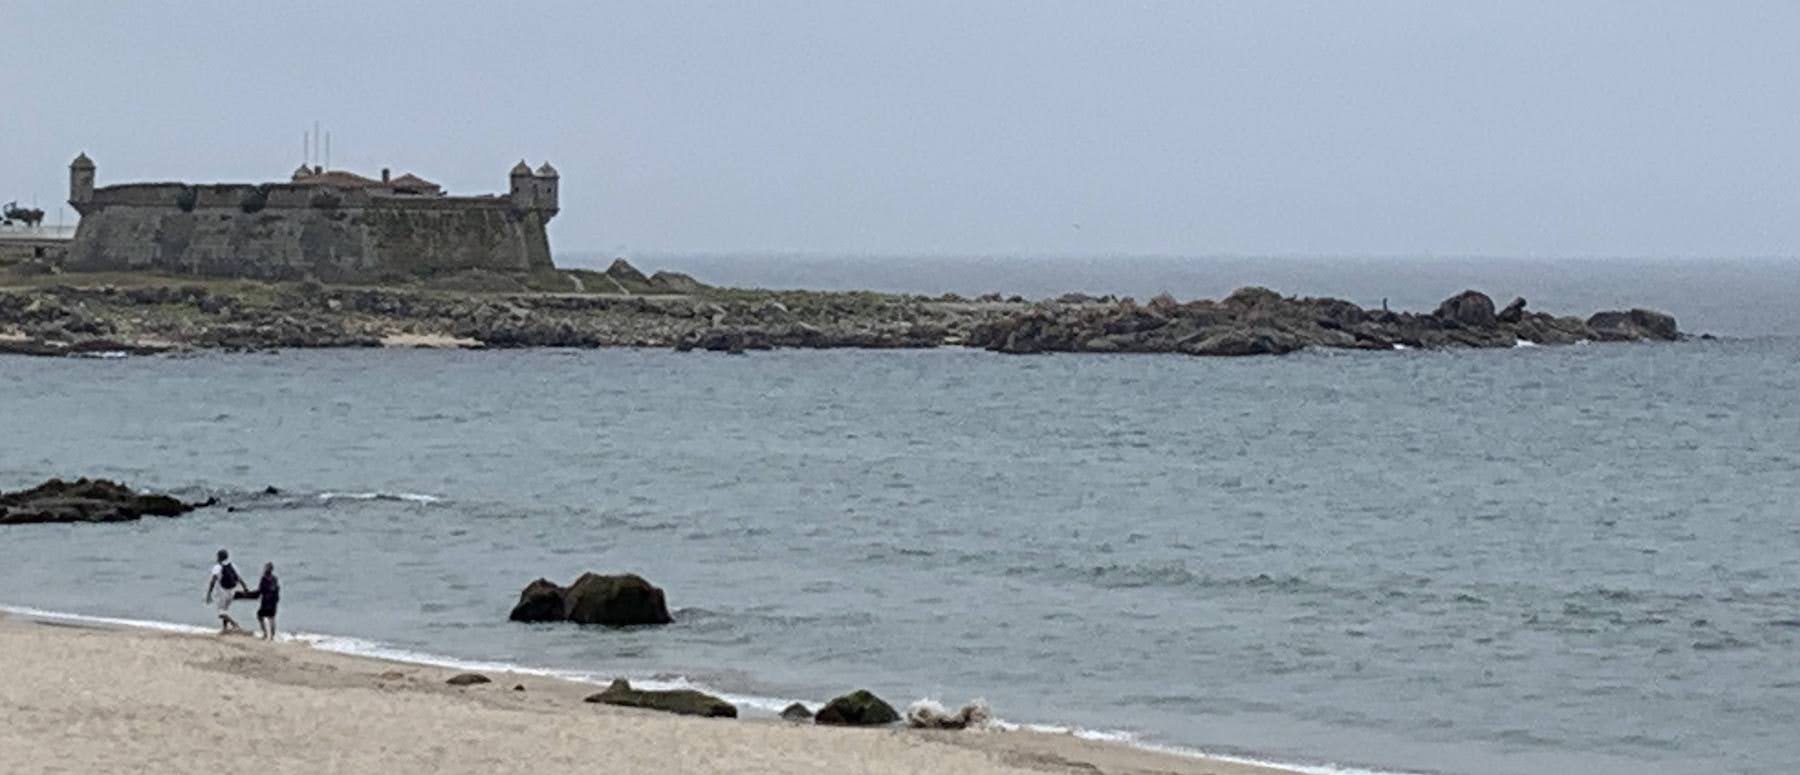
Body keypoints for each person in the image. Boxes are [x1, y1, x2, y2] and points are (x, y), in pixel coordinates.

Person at [205, 549, 247, 634]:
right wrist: (245, 588)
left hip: (223, 591)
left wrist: (209, 593)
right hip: (232, 591)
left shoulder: (217, 567)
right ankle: (225, 629)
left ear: (219, 557)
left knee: (221, 613)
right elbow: (239, 578)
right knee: (225, 610)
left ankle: (234, 624)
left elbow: (213, 581)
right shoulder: (232, 565)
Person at [251, 562, 280, 641]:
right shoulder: (275, 578)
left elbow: (260, 590)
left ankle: (265, 634)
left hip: (266, 601)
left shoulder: (264, 578)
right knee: (272, 618)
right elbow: (277, 589)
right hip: (273, 601)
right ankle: (272, 636)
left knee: (260, 616)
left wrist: (251, 594)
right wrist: (276, 600)